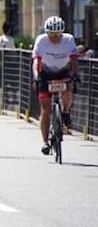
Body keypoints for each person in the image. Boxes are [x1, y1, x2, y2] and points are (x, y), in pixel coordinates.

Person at [32, 16, 79, 156]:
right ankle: (46, 142)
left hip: (62, 71)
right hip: (46, 73)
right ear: (47, 33)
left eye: (58, 34)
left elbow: (74, 60)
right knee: (46, 109)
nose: (55, 37)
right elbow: (36, 61)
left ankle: (65, 112)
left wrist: (75, 74)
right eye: (52, 34)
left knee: (68, 88)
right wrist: (36, 76)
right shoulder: (41, 41)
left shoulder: (68, 39)